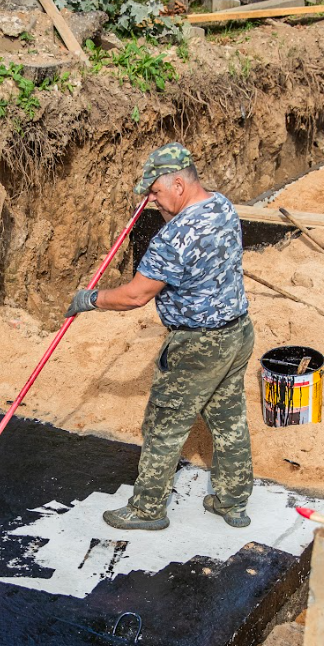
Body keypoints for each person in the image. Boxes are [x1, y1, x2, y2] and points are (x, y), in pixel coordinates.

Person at [64, 143, 255, 531]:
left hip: (197, 346)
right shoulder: (223, 206)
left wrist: (90, 299)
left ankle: (147, 509)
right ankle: (233, 502)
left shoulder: (175, 237)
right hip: (237, 333)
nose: (152, 201)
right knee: (229, 419)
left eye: (155, 192)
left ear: (179, 185)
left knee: (164, 425)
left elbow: (136, 295)